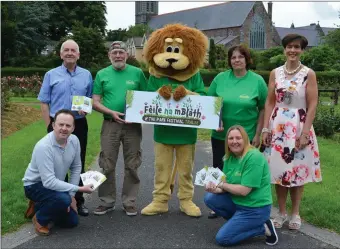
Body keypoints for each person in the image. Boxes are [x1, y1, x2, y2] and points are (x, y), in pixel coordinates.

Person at [261, 34, 321, 230]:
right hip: (278, 126)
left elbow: (312, 104)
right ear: (284, 49)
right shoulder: (275, 73)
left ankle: (295, 212)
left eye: (297, 47)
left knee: (297, 172)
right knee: (279, 171)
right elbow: (270, 101)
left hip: (298, 126)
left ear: (302, 50)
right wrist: (265, 127)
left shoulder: (308, 73)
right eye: (289, 47)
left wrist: (304, 133)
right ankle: (281, 211)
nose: (292, 50)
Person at [207, 44, 268, 218]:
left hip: (246, 137)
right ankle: (219, 204)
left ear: (247, 60)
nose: (236, 60)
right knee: (219, 168)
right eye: (233, 57)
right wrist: (214, 121)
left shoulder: (257, 81)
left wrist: (258, 134)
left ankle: (244, 207)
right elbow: (211, 103)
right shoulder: (220, 78)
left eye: (240, 57)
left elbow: (263, 108)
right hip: (220, 135)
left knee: (242, 172)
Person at [37, 39, 93, 216]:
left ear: (78, 54)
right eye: (66, 50)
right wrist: (49, 126)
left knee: (79, 163)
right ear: (61, 54)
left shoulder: (86, 75)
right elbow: (44, 103)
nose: (69, 53)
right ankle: (60, 201)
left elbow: (89, 99)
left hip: (79, 124)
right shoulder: (51, 75)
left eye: (73, 50)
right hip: (57, 125)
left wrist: (86, 110)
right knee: (57, 165)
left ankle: (79, 200)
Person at [92, 41, 147, 216]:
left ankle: (129, 202)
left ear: (126, 55)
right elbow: (95, 101)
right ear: (109, 55)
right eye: (114, 52)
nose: (118, 55)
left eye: (121, 52)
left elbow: (147, 98)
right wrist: (111, 112)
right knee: (107, 164)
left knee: (132, 164)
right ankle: (107, 202)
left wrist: (137, 115)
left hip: (133, 126)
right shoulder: (102, 74)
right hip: (110, 124)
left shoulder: (137, 73)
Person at [204, 125, 278, 247]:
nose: (234, 142)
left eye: (238, 138)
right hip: (238, 203)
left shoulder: (254, 157)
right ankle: (239, 224)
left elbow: (244, 191)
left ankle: (262, 227)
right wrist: (213, 188)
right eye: (231, 138)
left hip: (255, 208)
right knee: (210, 198)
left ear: (245, 139)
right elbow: (225, 185)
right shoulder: (228, 157)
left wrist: (221, 184)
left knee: (223, 239)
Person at [22, 109, 94, 236]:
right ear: (53, 125)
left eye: (68, 125)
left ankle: (41, 205)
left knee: (72, 221)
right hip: (35, 185)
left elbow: (76, 167)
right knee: (63, 200)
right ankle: (39, 219)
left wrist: (71, 195)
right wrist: (78, 189)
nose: (64, 128)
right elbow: (48, 182)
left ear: (73, 127)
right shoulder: (44, 146)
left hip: (55, 185)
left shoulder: (74, 140)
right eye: (60, 124)